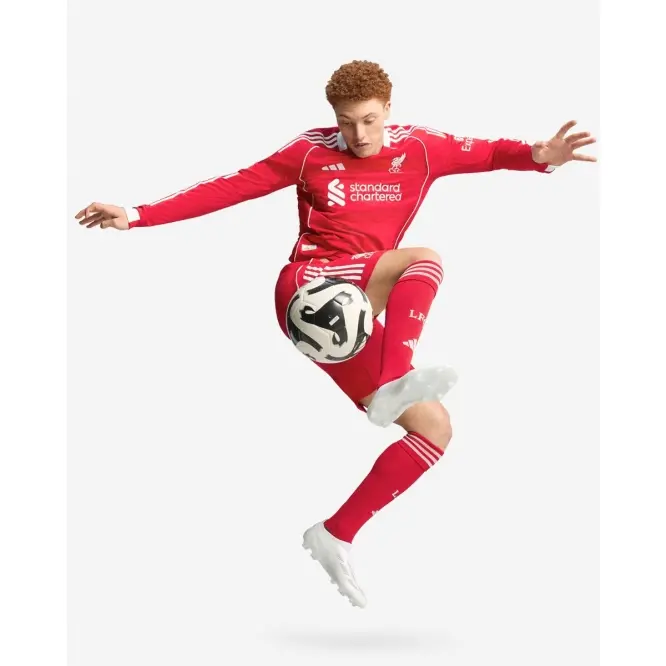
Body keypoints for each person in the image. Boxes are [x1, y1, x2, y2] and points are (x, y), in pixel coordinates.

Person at [75, 60, 597, 609]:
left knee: (433, 429)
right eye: (347, 122)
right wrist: (137, 214)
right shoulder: (310, 152)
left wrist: (540, 156)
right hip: (307, 288)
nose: (359, 135)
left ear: (388, 109)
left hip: (355, 306)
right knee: (423, 260)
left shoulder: (421, 148)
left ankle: (334, 534)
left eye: (369, 120)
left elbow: (488, 153)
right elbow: (233, 186)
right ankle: (396, 378)